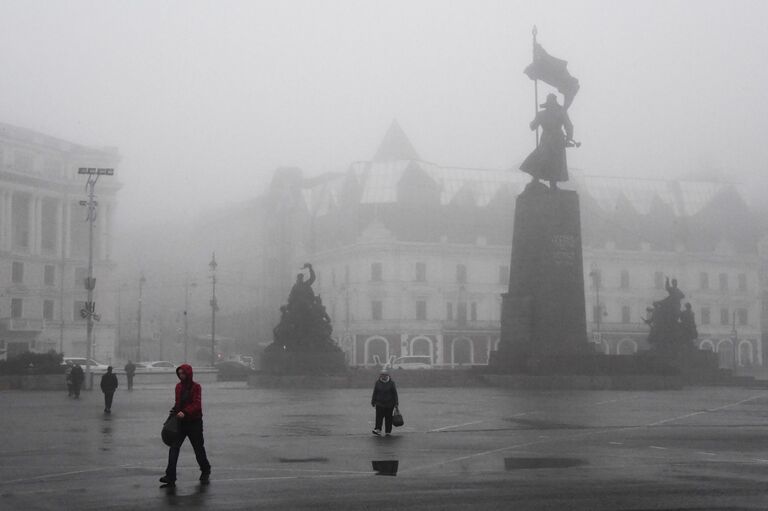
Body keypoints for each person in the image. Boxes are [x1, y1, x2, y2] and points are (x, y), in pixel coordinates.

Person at [160, 364, 211, 487]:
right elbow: (178, 403)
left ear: (188, 374)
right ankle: (170, 476)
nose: (181, 375)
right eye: (179, 373)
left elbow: (197, 404)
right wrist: (175, 411)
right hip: (181, 423)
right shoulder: (178, 387)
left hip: (194, 422)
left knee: (198, 449)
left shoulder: (196, 387)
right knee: (174, 448)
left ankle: (205, 469)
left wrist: (185, 412)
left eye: (183, 373)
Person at [519, 93, 574, 189]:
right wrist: (568, 138)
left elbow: (569, 126)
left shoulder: (553, 113)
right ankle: (540, 180)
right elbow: (533, 126)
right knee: (544, 159)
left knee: (551, 161)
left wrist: (569, 138)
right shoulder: (555, 113)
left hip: (552, 140)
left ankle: (548, 183)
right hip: (551, 140)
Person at [370, 369, 399, 437]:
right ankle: (378, 430)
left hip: (390, 404)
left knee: (388, 418)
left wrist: (396, 403)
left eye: (385, 375)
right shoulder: (378, 382)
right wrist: (373, 401)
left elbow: (395, 393)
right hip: (380, 403)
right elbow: (375, 392)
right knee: (379, 417)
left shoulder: (391, 383)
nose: (383, 376)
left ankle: (388, 431)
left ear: (388, 375)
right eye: (382, 375)